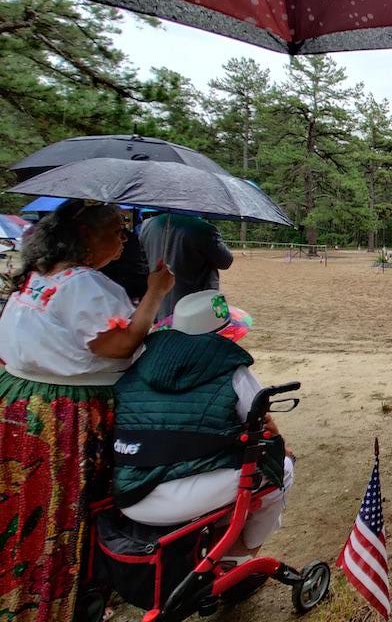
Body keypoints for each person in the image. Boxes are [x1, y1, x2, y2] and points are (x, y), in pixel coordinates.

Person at [0, 200, 173, 622]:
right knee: (70, 503)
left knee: (27, 500)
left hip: (21, 401)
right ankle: (65, 592)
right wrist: (156, 292)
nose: (124, 237)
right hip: (67, 411)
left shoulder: (38, 275)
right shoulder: (83, 285)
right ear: (85, 236)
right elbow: (119, 345)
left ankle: (26, 583)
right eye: (115, 229)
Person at [113, 290, 293, 561]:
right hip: (185, 498)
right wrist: (281, 446)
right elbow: (261, 424)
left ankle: (218, 545)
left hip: (129, 493)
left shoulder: (136, 365)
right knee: (282, 469)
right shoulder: (234, 373)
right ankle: (240, 557)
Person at [141, 212, 234, 320]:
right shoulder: (202, 228)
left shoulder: (147, 225)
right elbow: (226, 261)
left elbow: (143, 261)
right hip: (195, 309)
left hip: (158, 306)